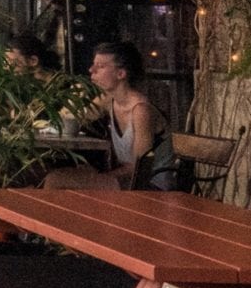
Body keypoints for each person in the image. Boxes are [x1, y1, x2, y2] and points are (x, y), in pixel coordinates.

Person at [44, 42, 176, 191]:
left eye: (100, 66)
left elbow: (139, 169)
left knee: (55, 180)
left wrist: (103, 176)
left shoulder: (141, 110)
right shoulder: (108, 100)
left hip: (150, 186)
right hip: (126, 178)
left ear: (121, 74)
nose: (91, 70)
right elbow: (73, 118)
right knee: (57, 174)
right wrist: (75, 96)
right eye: (93, 65)